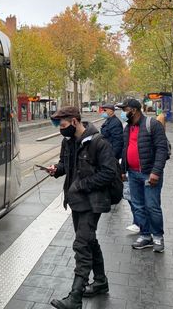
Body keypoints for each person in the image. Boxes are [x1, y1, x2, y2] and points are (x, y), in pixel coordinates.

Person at [45, 106, 118, 309]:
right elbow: (64, 165)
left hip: (92, 202)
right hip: (76, 201)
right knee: (89, 241)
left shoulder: (98, 142)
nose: (61, 128)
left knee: (82, 245)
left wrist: (82, 185)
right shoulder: (67, 142)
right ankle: (101, 282)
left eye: (63, 124)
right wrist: (56, 170)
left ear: (75, 121)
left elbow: (109, 173)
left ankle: (75, 297)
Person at [117, 98, 169, 253]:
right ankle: (146, 235)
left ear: (134, 110)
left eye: (124, 109)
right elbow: (125, 149)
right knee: (138, 206)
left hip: (149, 174)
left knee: (152, 206)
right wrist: (122, 169)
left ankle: (158, 236)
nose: (123, 113)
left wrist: (156, 172)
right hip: (132, 174)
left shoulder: (152, 124)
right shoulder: (127, 127)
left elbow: (162, 149)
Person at [100, 104, 139, 233]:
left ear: (110, 111)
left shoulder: (115, 123)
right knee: (129, 193)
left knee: (131, 194)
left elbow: (117, 142)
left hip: (120, 161)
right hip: (120, 161)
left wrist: (112, 157)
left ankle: (140, 223)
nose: (103, 112)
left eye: (104, 110)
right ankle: (139, 222)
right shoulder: (113, 122)